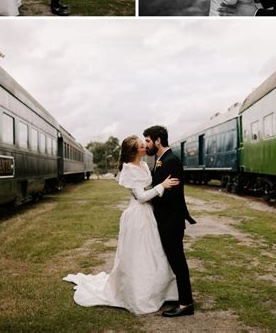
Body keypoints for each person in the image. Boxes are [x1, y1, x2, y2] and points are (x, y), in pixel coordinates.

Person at [63, 136, 181, 315]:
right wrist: (162, 186)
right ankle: (139, 295)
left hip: (149, 214)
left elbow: (148, 189)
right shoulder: (129, 169)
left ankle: (163, 292)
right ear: (134, 152)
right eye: (141, 146)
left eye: (144, 144)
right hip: (137, 216)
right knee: (139, 255)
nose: (145, 147)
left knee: (155, 253)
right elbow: (141, 197)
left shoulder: (143, 165)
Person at [143, 125, 196, 318]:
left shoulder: (172, 161)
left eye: (148, 140)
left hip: (171, 221)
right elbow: (161, 189)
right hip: (164, 220)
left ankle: (185, 304)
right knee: (172, 260)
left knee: (178, 261)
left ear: (158, 140)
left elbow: (170, 197)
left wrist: (148, 195)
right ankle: (179, 298)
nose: (145, 144)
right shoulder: (160, 160)